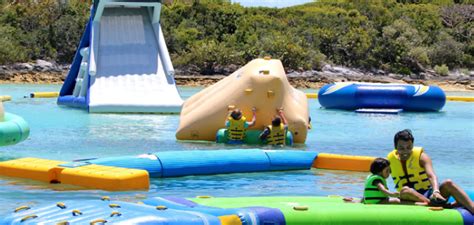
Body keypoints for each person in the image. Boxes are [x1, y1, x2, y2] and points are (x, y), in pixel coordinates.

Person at [388, 129, 474, 213]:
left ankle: (472, 208)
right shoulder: (389, 161)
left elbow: (431, 175)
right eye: (401, 148)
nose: (405, 151)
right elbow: (379, 175)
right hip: (408, 196)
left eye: (409, 147)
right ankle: (436, 204)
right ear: (395, 147)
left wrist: (436, 191)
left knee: (449, 183)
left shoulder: (422, 157)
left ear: (412, 146)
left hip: (428, 193)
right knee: (405, 190)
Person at [363, 158, 428, 204]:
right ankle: (417, 204)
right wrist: (391, 194)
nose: (389, 173)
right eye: (387, 171)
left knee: (405, 190)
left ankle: (422, 201)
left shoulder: (371, 177)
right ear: (379, 171)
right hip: (376, 202)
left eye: (390, 170)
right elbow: (382, 189)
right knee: (396, 201)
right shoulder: (377, 179)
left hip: (377, 200)